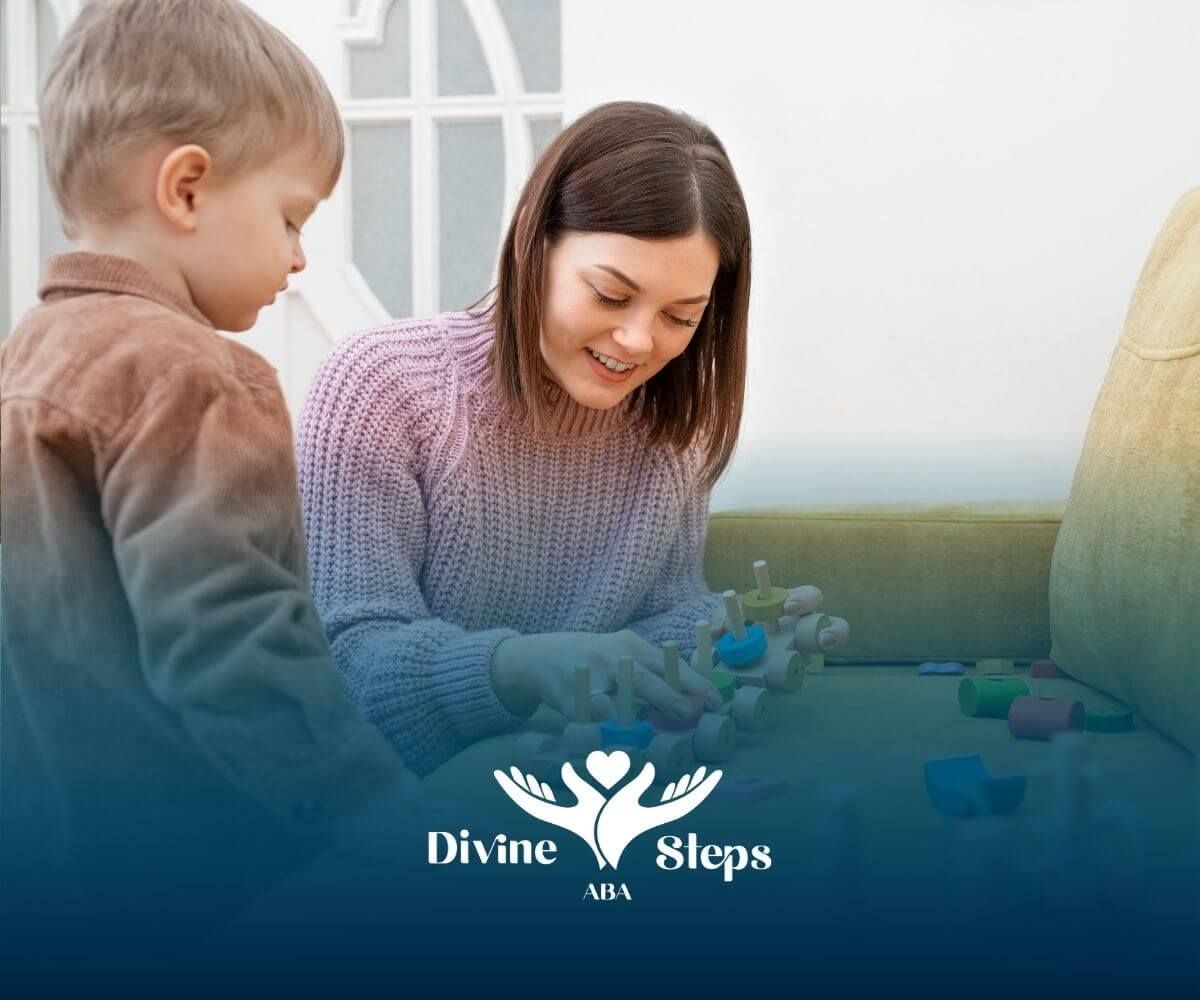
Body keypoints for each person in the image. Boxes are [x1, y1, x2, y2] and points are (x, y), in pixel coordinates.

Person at [0, 0, 424, 938]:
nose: (300, 257)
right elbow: (232, 630)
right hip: (213, 886)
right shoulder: (197, 374)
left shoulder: (24, 362)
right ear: (187, 189)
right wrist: (373, 804)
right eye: (289, 217)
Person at [297, 101, 850, 777]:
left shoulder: (673, 432)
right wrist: (520, 667)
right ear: (537, 247)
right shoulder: (382, 386)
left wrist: (731, 630)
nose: (640, 342)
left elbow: (652, 622)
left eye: (681, 317)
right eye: (610, 296)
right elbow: (350, 663)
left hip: (583, 780)